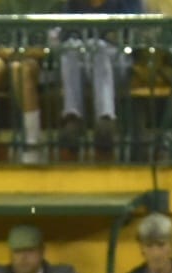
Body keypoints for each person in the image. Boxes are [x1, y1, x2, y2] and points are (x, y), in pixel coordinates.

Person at [0, 0, 62, 164]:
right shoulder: (5, 4)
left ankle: (31, 143)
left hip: (39, 63)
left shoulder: (55, 4)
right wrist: (9, 53)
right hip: (8, 56)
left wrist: (24, 53)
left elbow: (51, 46)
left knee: (20, 69)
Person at [58, 0, 142, 156]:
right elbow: (65, 33)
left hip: (117, 64)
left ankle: (105, 119)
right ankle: (72, 117)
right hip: (84, 64)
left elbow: (132, 32)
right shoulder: (73, 4)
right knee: (70, 49)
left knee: (98, 47)